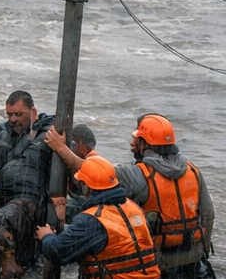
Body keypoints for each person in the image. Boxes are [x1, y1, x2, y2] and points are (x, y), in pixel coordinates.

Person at [46, 114, 215, 279]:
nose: (132, 143)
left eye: (136, 140)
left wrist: (60, 147)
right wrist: (203, 249)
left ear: (144, 144)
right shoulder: (193, 171)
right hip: (192, 258)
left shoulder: (138, 175)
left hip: (157, 261)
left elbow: (92, 171)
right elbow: (208, 215)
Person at [0, 90, 56, 279]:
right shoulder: (2, 131)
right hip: (1, 196)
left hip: (29, 200)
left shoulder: (49, 132)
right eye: (9, 114)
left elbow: (67, 164)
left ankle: (11, 265)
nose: (12, 119)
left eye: (18, 114)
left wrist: (58, 199)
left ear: (32, 112)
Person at [35, 155, 160, 279]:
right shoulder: (133, 207)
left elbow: (58, 252)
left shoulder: (92, 221)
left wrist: (47, 236)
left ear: (86, 186)